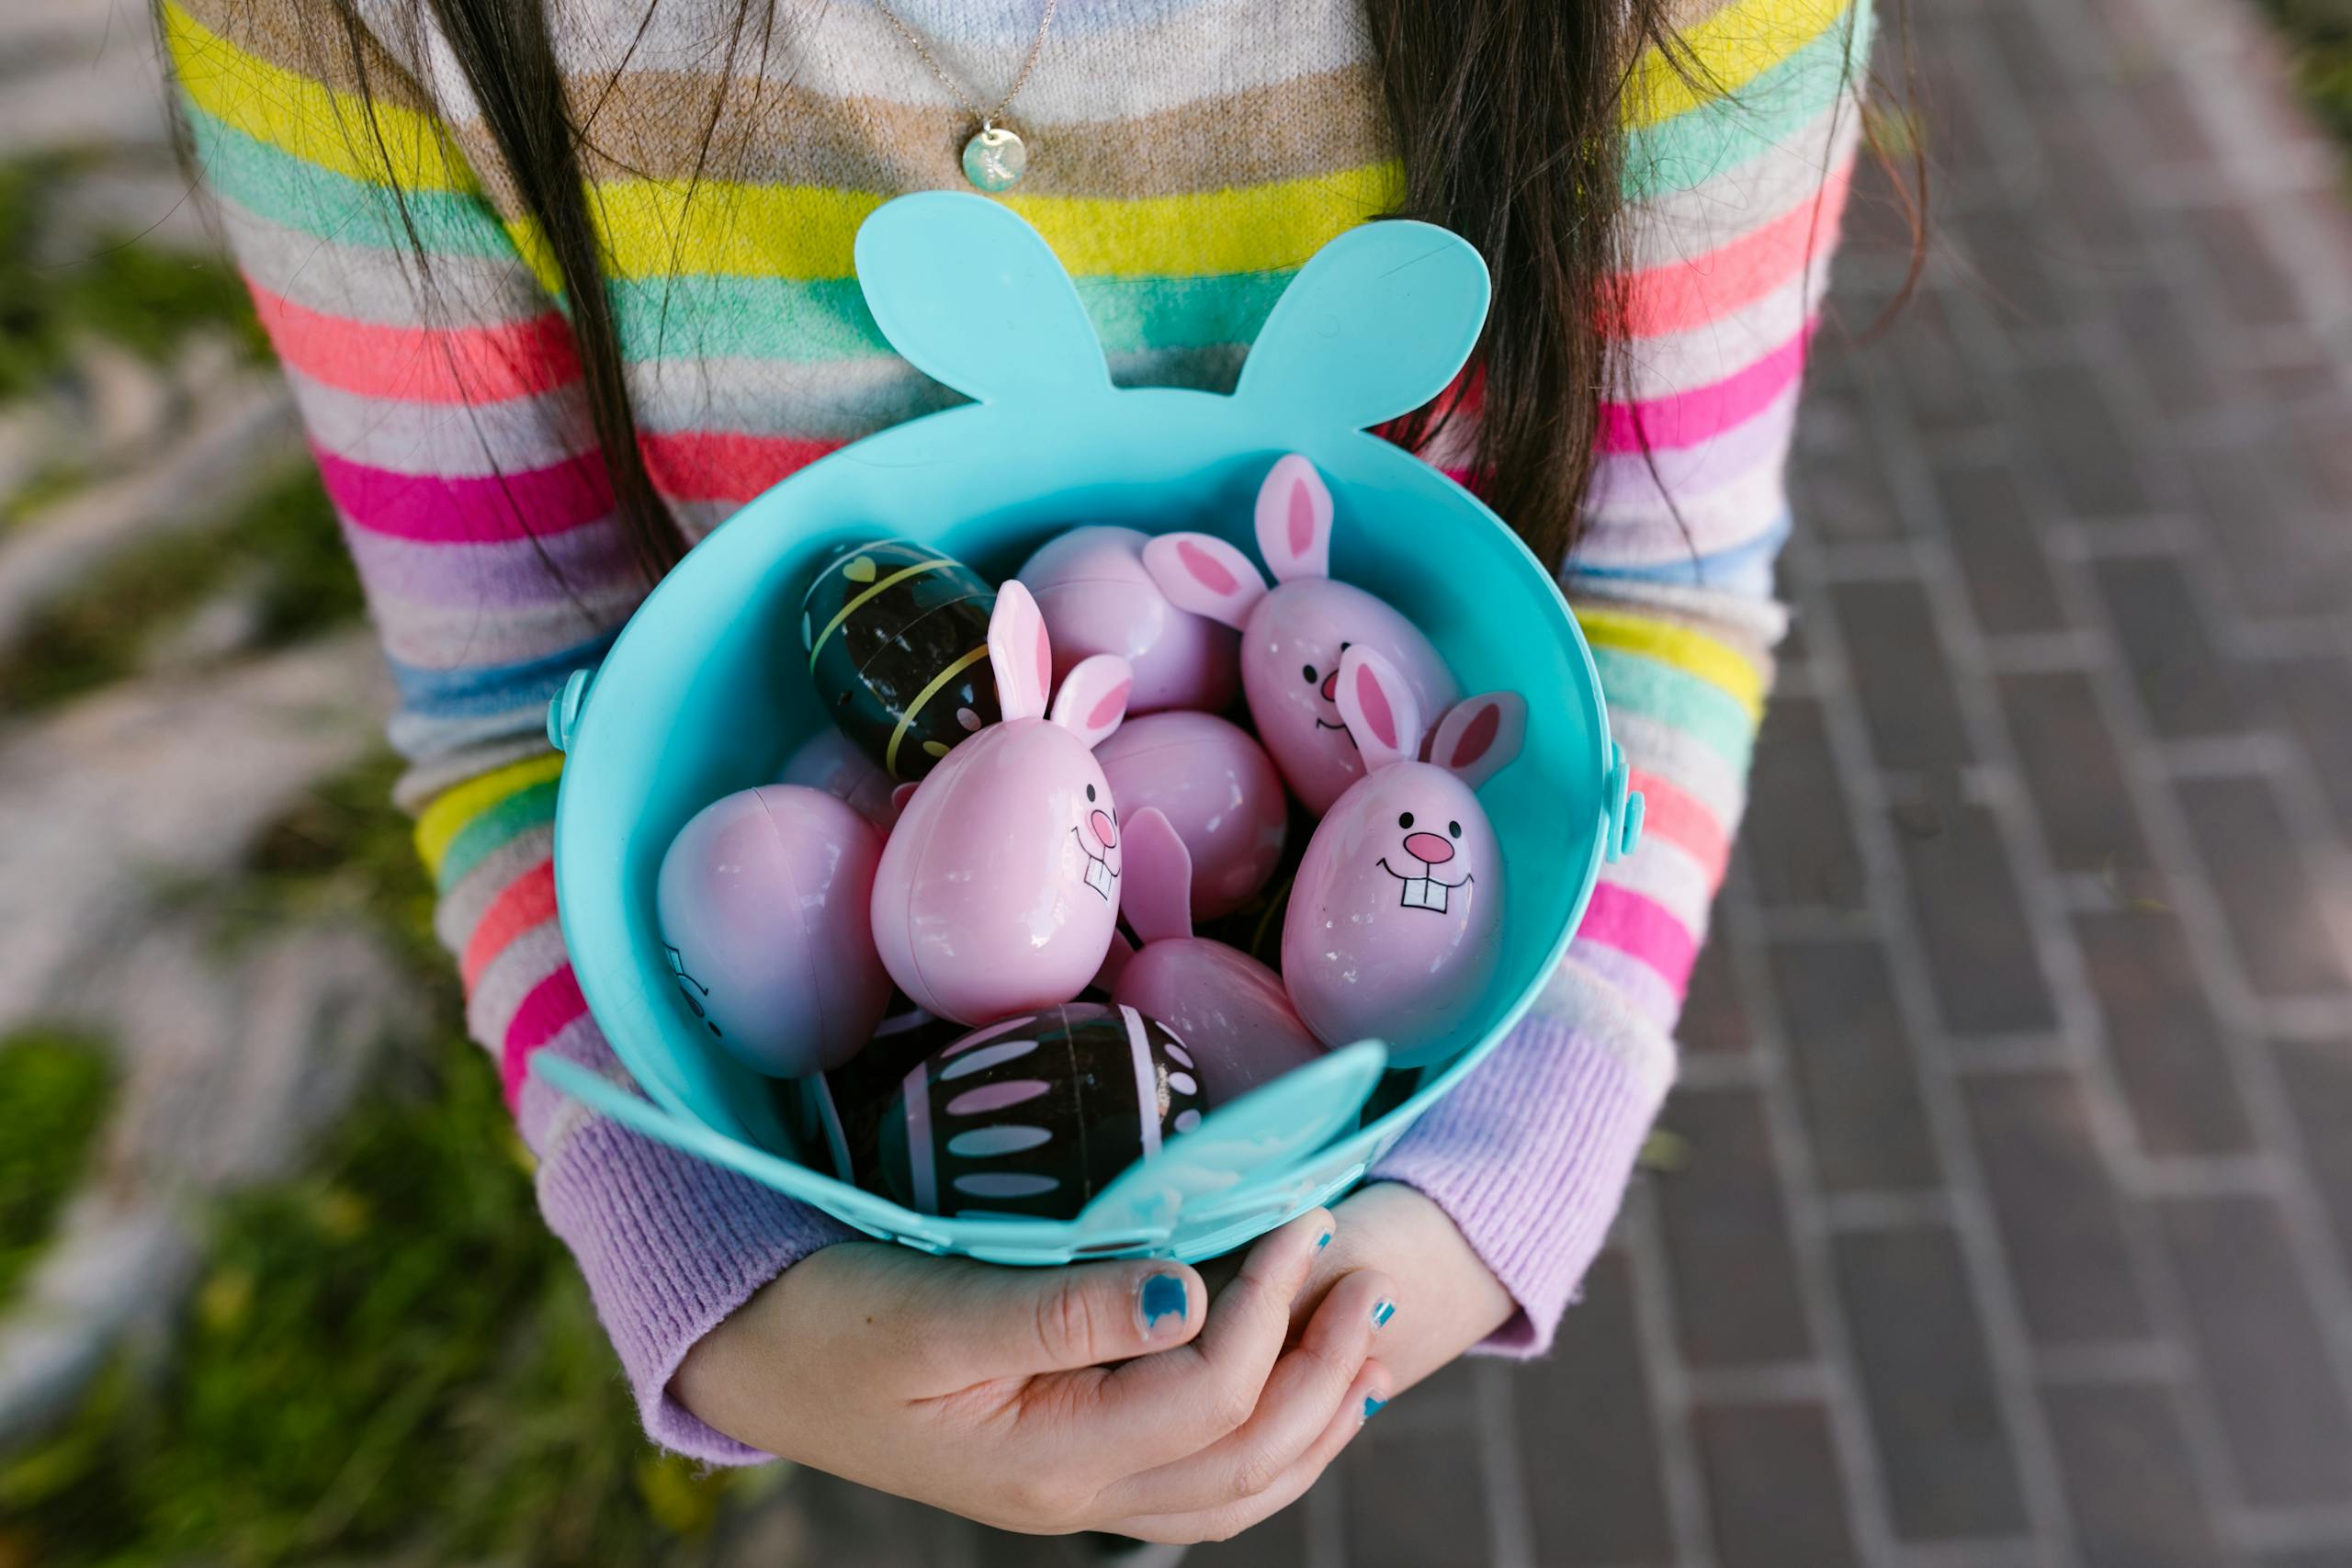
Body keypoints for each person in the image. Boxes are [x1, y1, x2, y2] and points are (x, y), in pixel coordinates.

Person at [158, 0, 1875, 1545]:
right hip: (850, 1171)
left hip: (1334, 1161)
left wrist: (1482, 1184)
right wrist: (733, 1283)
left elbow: (1662, 593)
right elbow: (513, 696)